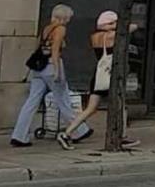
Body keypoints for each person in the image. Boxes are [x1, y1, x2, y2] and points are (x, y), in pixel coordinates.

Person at [58, 11, 139, 150]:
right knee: (121, 106)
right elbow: (133, 27)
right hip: (110, 76)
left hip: (98, 76)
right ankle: (122, 136)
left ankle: (67, 133)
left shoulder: (95, 36)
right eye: (113, 22)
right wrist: (116, 25)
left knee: (90, 109)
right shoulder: (113, 36)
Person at [10, 5, 86, 147]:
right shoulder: (61, 29)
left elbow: (38, 48)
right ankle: (79, 130)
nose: (69, 20)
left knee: (31, 102)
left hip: (39, 68)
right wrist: (57, 70)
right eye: (68, 17)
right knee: (63, 99)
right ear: (64, 17)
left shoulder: (46, 29)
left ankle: (19, 135)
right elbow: (55, 50)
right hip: (52, 66)